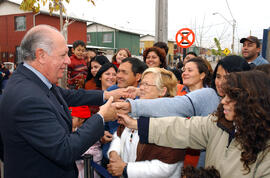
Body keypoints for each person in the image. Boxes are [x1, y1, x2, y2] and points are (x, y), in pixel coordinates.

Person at [0, 25, 124, 178]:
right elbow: (65, 150)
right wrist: (101, 117)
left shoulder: (32, 81)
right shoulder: (28, 97)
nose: (68, 61)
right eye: (63, 55)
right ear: (41, 55)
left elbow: (70, 95)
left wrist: (107, 94)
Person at [118, 70, 270, 178]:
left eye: (232, 97)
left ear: (252, 102)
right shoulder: (217, 123)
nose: (223, 101)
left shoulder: (266, 150)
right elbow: (181, 128)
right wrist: (136, 124)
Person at [107, 68, 184, 178]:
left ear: (162, 91)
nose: (141, 88)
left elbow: (167, 166)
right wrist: (114, 153)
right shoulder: (135, 110)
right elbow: (119, 135)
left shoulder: (172, 121)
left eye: (147, 84)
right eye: (141, 83)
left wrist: (125, 169)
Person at [102, 57, 148, 166]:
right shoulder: (111, 92)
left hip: (134, 161)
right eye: (118, 71)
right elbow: (103, 122)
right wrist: (101, 134)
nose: (118, 76)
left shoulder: (147, 98)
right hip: (109, 156)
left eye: (124, 72)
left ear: (137, 76)